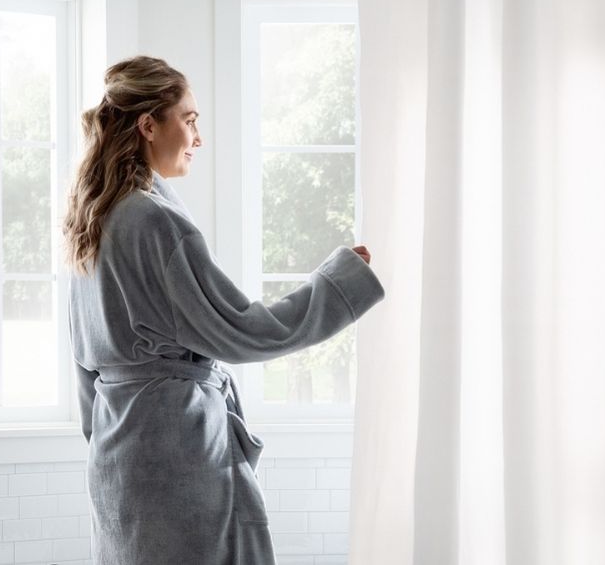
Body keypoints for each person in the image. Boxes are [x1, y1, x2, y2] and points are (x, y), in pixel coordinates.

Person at [62, 55, 385, 564]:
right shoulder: (153, 221)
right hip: (174, 450)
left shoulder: (93, 216)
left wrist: (111, 440)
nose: (198, 137)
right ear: (149, 125)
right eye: (188, 120)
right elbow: (242, 331)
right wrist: (337, 284)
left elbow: (84, 362)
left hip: (117, 452)